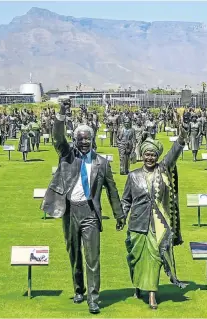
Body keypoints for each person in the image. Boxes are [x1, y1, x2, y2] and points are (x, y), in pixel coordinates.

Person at [41, 100, 123, 314]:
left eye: (87, 139)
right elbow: (57, 136)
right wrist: (61, 113)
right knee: (74, 253)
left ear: (92, 140)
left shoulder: (102, 163)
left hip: (90, 213)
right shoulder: (67, 155)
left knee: (92, 256)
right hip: (70, 211)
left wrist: (119, 214)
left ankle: (93, 298)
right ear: (75, 140)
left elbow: (112, 190)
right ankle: (79, 289)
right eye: (80, 139)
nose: (84, 142)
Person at [121, 131, 188, 310]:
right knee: (135, 258)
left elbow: (173, 154)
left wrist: (181, 138)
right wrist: (122, 216)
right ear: (142, 155)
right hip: (137, 223)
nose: (150, 158)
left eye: (153, 155)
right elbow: (126, 200)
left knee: (155, 258)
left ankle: (152, 294)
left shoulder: (163, 169)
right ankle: (137, 286)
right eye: (147, 154)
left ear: (157, 156)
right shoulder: (133, 176)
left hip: (157, 224)